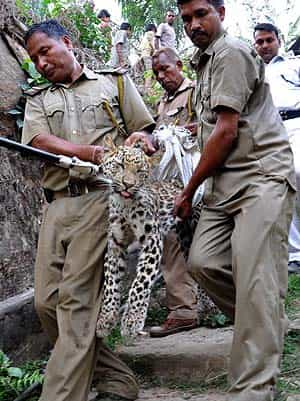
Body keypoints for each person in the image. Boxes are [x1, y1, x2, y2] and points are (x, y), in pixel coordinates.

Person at [22, 19, 155, 401]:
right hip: (58, 204)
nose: (41, 63)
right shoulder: (38, 98)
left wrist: (140, 140)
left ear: (66, 42)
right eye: (34, 59)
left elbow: (144, 129)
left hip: (102, 199)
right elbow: (39, 140)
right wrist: (89, 151)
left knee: (76, 302)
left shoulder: (112, 82)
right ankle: (116, 380)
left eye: (45, 51)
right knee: (46, 303)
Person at [174, 1, 296, 401]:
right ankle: (265, 324)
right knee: (204, 262)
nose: (193, 24)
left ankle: (254, 389)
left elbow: (226, 133)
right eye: (186, 17)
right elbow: (212, 126)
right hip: (225, 184)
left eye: (200, 14)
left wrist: (188, 190)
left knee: (257, 281)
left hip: (261, 176)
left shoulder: (231, 53)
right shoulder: (203, 63)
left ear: (220, 13)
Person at [149, 47, 199, 337]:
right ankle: (182, 309)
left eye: (165, 69)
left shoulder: (194, 93)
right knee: (172, 238)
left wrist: (180, 133)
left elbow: (209, 126)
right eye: (156, 72)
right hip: (172, 183)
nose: (161, 76)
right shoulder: (162, 103)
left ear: (179, 65)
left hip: (198, 179)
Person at [254, 22, 300, 274]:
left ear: (278, 40)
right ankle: (295, 253)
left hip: (297, 123)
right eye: (259, 42)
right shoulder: (253, 70)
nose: (264, 46)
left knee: (298, 173)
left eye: (268, 40)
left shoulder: (294, 63)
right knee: (282, 185)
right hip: (270, 132)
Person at [138, 23, 157, 92]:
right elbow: (151, 43)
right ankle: (148, 88)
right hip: (147, 55)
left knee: (145, 72)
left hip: (142, 56)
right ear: (153, 29)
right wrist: (154, 50)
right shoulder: (151, 33)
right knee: (149, 71)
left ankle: (144, 87)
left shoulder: (144, 36)